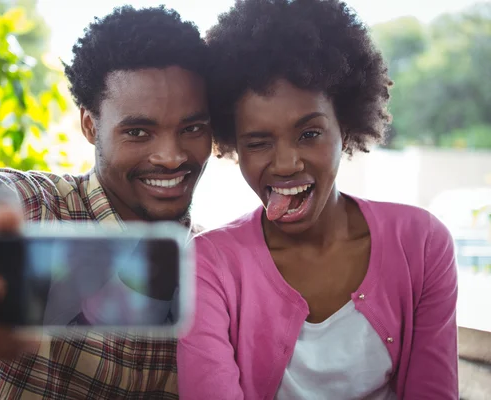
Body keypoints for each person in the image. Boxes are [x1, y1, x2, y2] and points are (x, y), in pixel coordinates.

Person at [0, 5, 212, 398]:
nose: (171, 156)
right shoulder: (31, 211)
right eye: (139, 132)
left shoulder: (215, 267)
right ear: (90, 126)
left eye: (193, 128)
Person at [177, 0, 458, 399]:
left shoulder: (422, 244)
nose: (287, 164)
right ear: (233, 145)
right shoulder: (208, 266)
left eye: (309, 134)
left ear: (345, 126)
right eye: (258, 142)